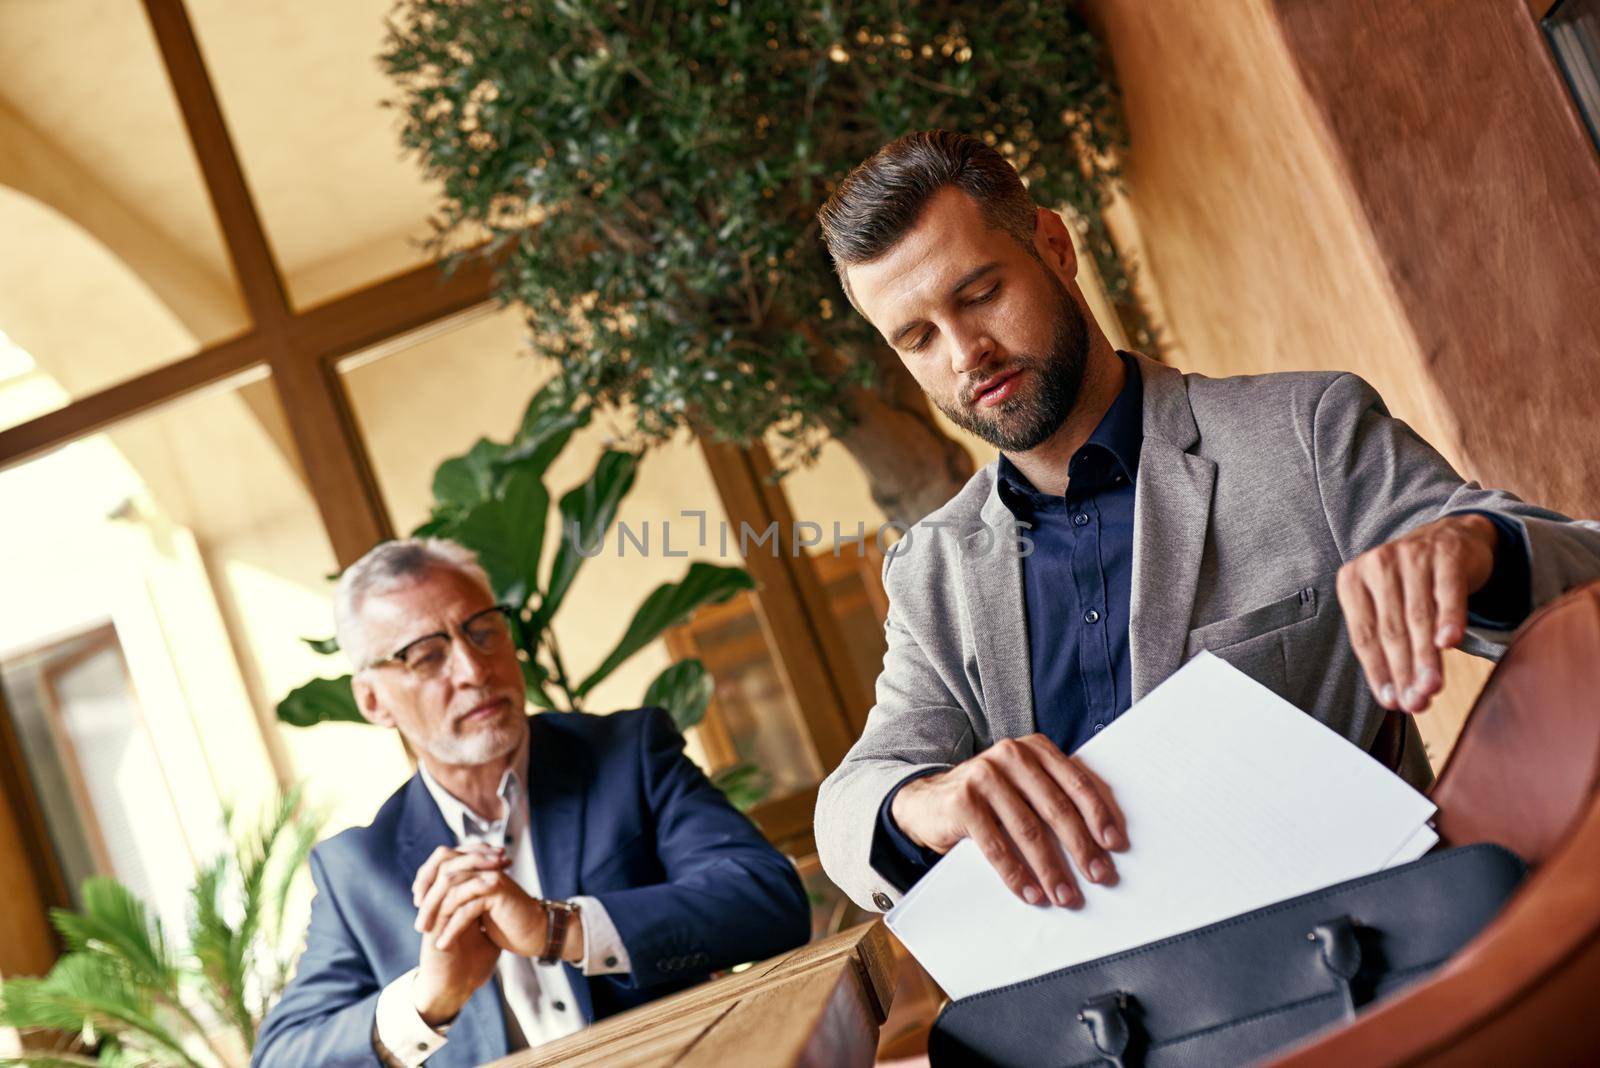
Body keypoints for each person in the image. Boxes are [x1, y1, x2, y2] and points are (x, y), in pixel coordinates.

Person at [811, 129, 1600, 916]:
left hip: (1358, 977)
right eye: (917, 338)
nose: (964, 354)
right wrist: (924, 803)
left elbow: (1581, 572)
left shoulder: (1304, 431)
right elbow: (850, 802)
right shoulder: (933, 567)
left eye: (980, 294)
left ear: (1054, 245)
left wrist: (1474, 545)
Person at [253, 539, 811, 1067]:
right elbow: (283, 1056)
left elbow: (768, 899)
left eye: (482, 631)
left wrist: (558, 929)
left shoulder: (627, 756)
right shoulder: (358, 868)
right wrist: (430, 1000)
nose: (474, 670)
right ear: (374, 700)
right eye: (426, 656)